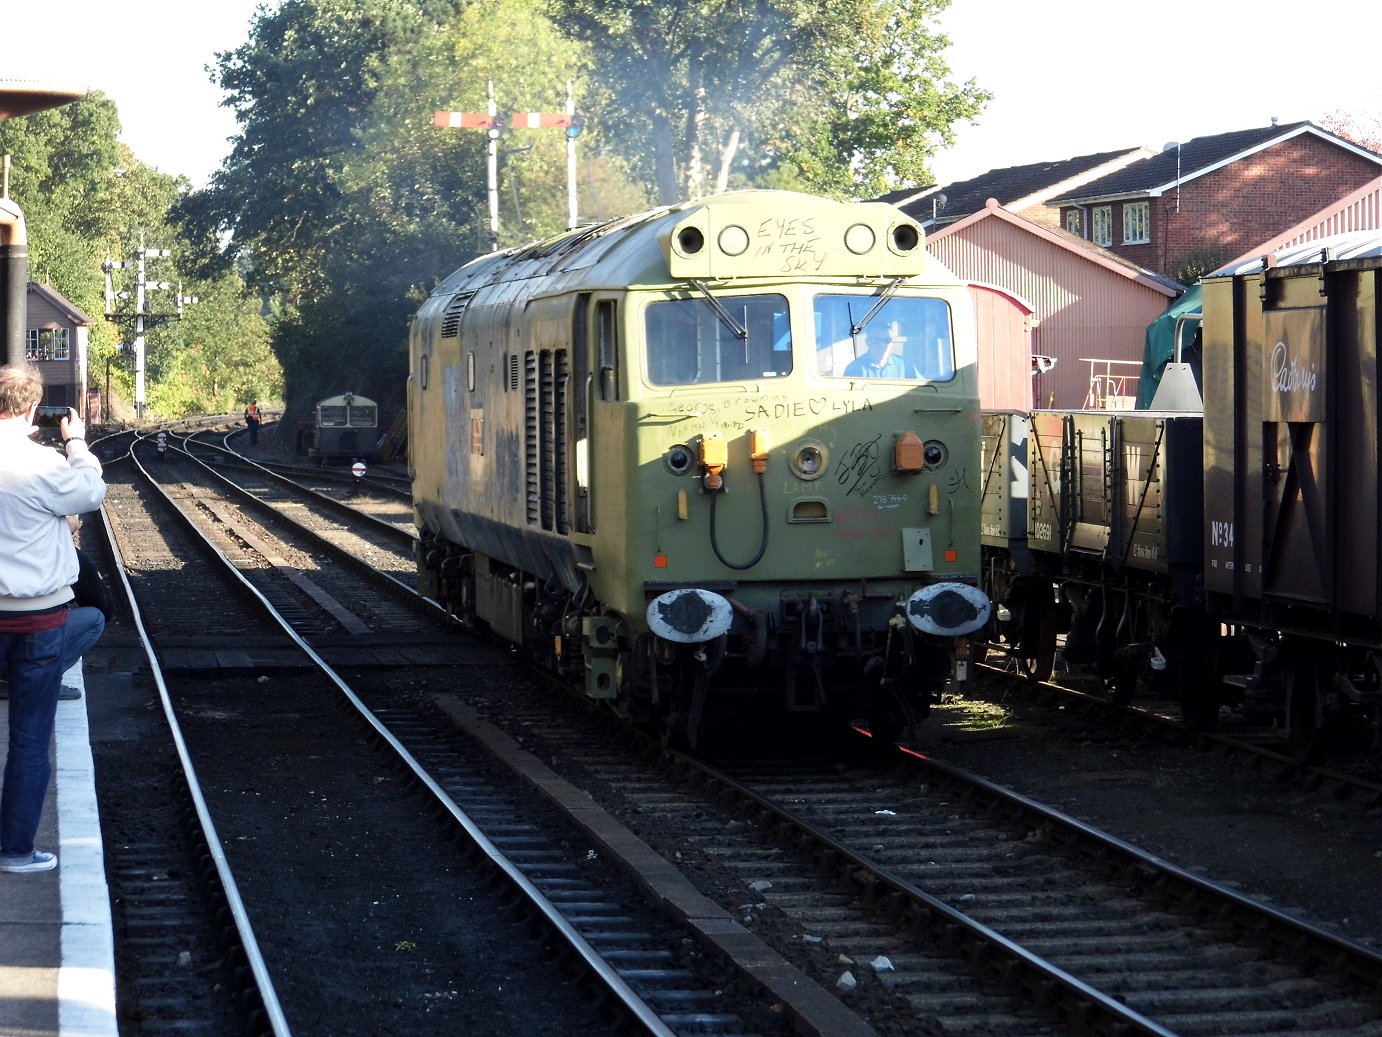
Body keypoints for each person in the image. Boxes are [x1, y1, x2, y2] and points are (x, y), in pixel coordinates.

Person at [0, 365, 106, 874]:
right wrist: (78, 444)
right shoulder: (43, 463)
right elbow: (90, 493)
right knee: (28, 738)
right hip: (38, 619)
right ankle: (16, 850)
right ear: (30, 410)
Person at [842, 323, 921, 379]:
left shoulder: (904, 365)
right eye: (876, 340)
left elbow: (923, 389)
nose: (882, 345)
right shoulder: (854, 368)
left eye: (887, 340)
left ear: (891, 342)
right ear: (867, 342)